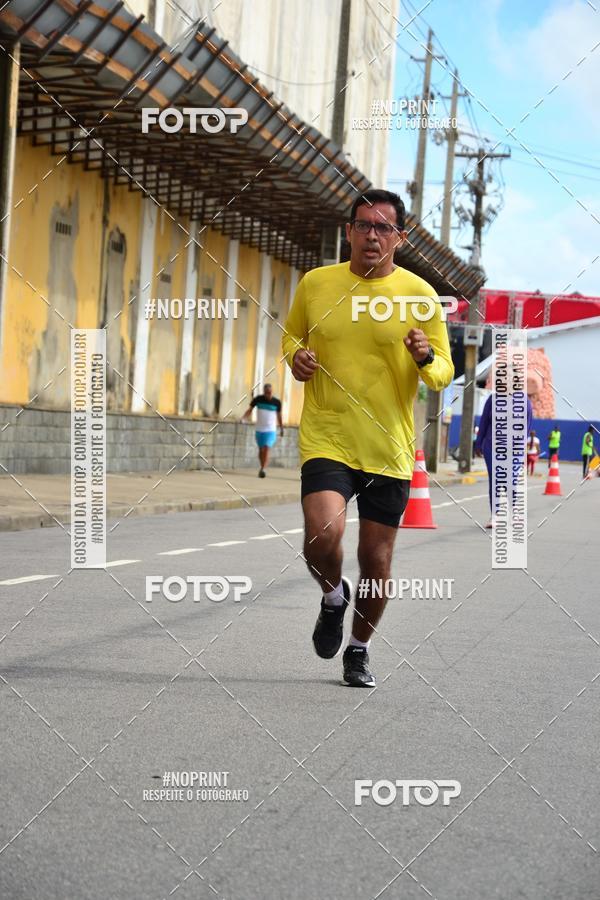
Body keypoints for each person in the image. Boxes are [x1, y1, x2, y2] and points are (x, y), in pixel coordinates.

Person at [282, 188, 454, 687]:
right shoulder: (317, 284)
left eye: (383, 227)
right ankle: (334, 597)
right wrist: (296, 358)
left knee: (375, 561)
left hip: (388, 446)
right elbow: (292, 335)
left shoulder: (420, 296)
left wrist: (424, 356)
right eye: (363, 225)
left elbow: (443, 373)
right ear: (349, 231)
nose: (372, 236)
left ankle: (358, 650)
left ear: (401, 237)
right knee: (322, 534)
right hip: (328, 434)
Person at [475, 391, 533, 528]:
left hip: (514, 449)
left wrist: (520, 446)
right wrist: (478, 443)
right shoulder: (493, 399)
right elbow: (484, 422)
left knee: (510, 479)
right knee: (495, 479)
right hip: (492, 447)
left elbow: (527, 426)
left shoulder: (524, 401)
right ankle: (495, 515)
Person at [241, 384, 283, 477]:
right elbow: (250, 410)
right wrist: (244, 418)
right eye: (266, 392)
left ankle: (263, 469)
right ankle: (261, 466)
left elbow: (279, 416)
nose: (268, 394)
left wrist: (281, 428)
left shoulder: (277, 402)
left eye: (270, 392)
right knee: (261, 450)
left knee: (267, 448)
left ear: (272, 392)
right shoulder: (258, 399)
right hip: (259, 429)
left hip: (271, 430)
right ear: (264, 392)